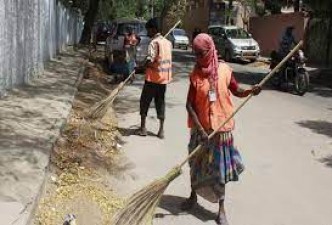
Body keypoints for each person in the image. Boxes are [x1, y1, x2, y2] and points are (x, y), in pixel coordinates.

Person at [182, 33, 261, 225]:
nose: (198, 58)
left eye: (201, 53)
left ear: (210, 51)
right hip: (201, 131)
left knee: (220, 171)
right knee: (195, 165)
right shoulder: (195, 74)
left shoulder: (225, 70)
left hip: (221, 131)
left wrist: (251, 90)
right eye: (195, 54)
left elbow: (237, 90)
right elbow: (189, 105)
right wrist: (201, 130)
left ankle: (221, 209)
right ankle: (193, 195)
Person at [138, 18, 172, 139]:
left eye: (148, 30)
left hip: (152, 79)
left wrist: (140, 68)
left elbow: (150, 59)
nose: (147, 32)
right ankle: (161, 130)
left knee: (144, 102)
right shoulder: (168, 43)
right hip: (163, 80)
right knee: (160, 103)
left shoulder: (153, 43)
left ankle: (143, 128)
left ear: (153, 29)